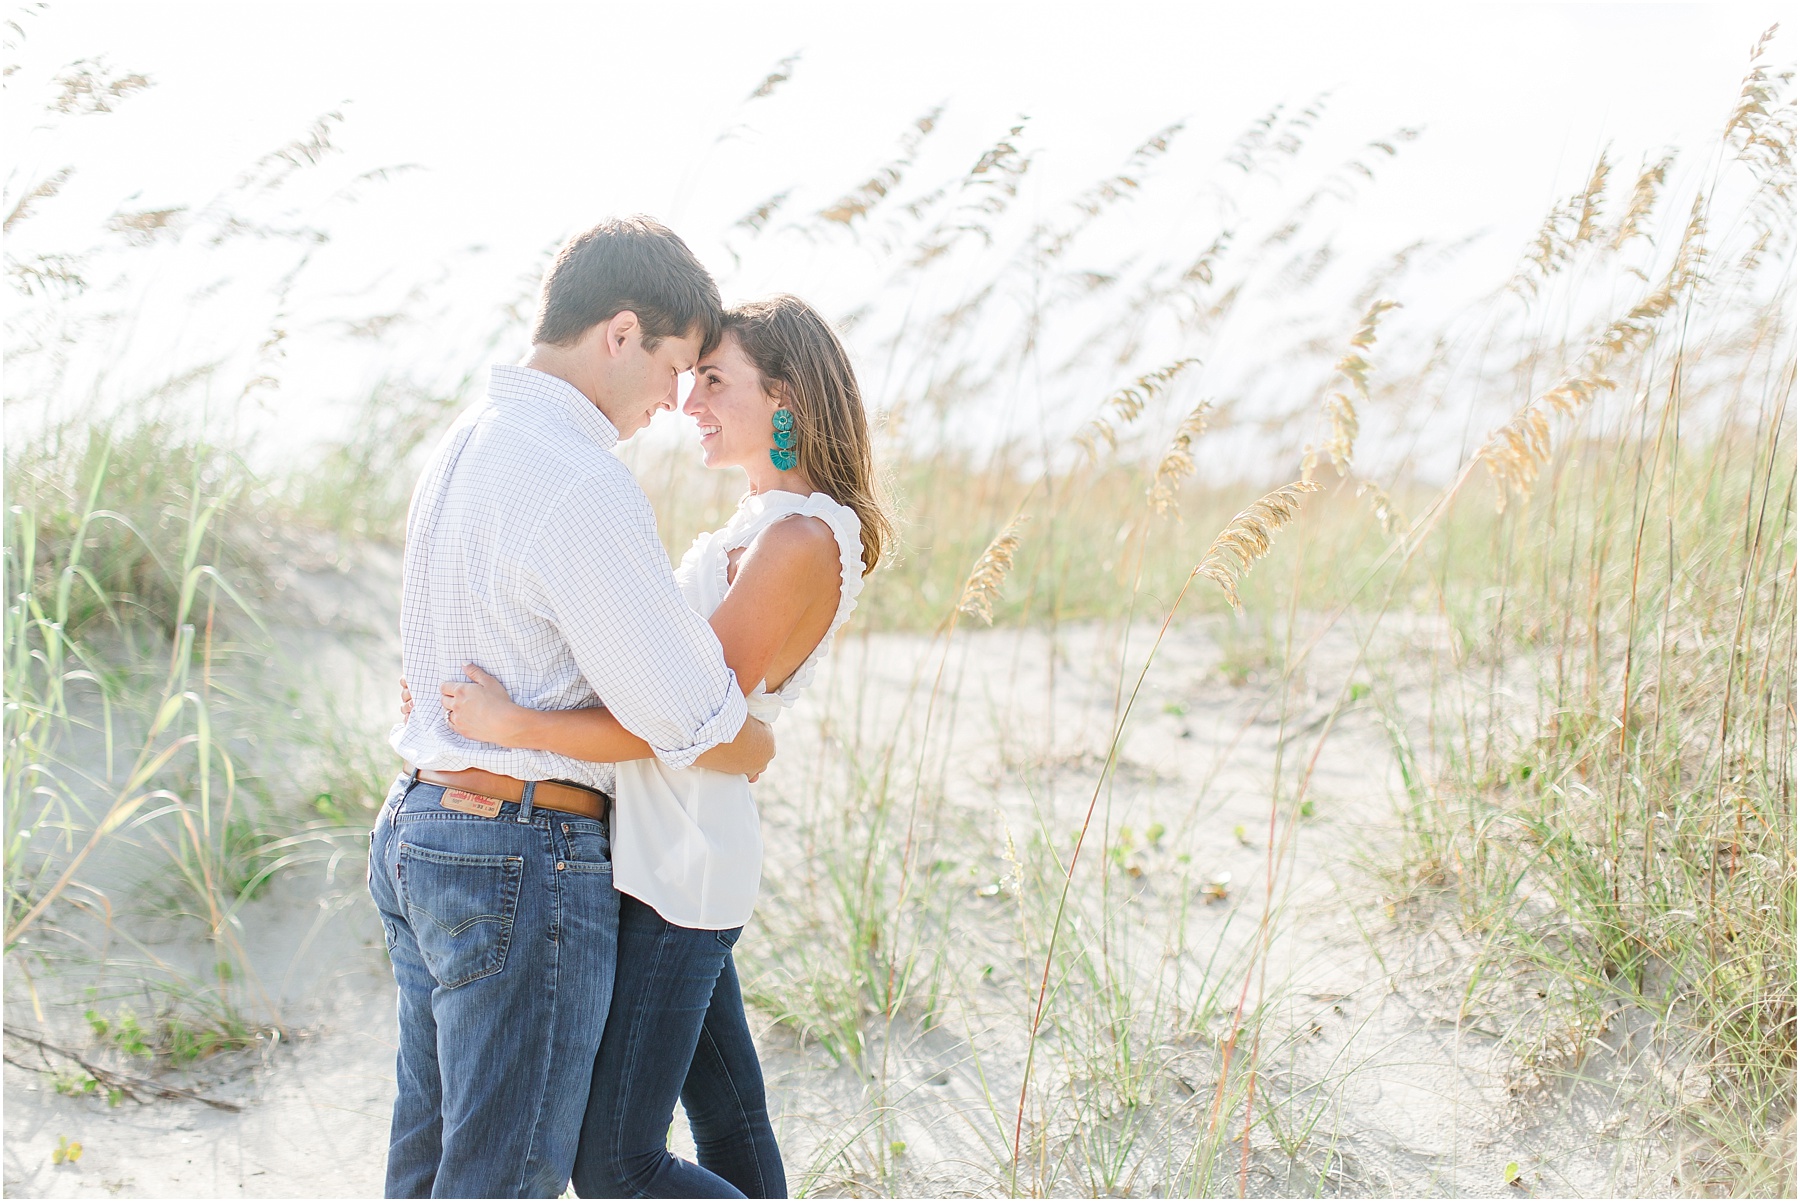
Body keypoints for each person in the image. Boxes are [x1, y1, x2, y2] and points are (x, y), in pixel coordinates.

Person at [434, 294, 891, 1198]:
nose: (689, 405)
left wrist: (516, 725)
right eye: (690, 380)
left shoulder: (799, 537)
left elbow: (682, 720)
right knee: (729, 1116)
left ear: (788, 397)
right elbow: (687, 707)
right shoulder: (756, 528)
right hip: (663, 846)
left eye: (715, 381)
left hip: (683, 860)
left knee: (613, 1165)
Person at [368, 216, 777, 1199]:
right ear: (622, 332)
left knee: (427, 1171)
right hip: (520, 851)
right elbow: (691, 711)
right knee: (504, 1177)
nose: (676, 401)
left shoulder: (464, 442)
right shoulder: (578, 474)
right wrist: (747, 734)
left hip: (419, 826)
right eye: (677, 365)